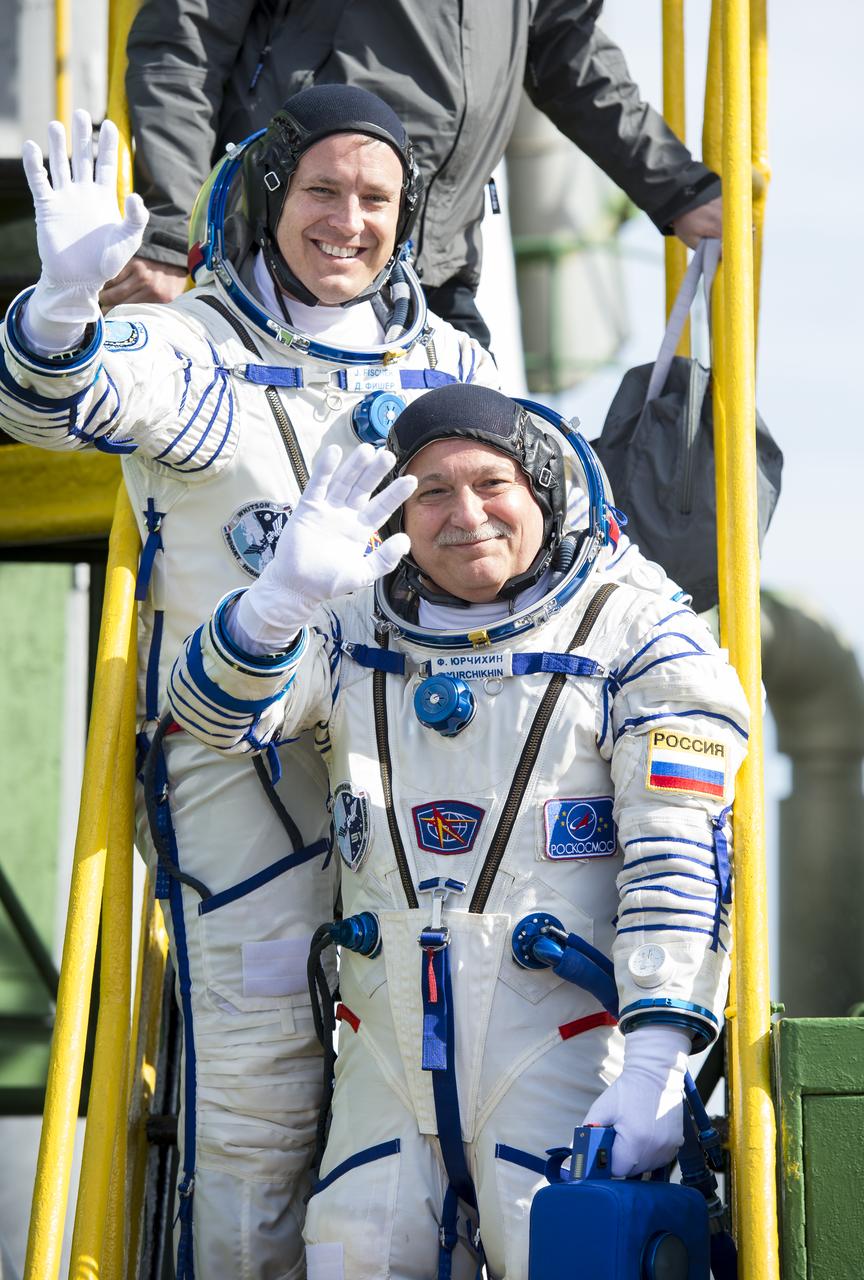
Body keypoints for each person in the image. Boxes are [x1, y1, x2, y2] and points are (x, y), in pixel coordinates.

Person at [0, 88, 499, 1278]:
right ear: (271, 194)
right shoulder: (197, 349)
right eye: (322, 190)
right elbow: (53, 404)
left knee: (434, 1097)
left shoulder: (450, 361)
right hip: (242, 769)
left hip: (416, 761)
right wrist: (64, 300)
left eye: (375, 198)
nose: (348, 221)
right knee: (259, 1105)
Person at [166, 382, 750, 1280]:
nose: (465, 514)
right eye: (431, 491)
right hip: (385, 1070)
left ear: (542, 488)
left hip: (571, 1069)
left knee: (573, 1258)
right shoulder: (351, 621)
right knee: (356, 1256)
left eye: (491, 484)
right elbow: (214, 716)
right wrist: (276, 600)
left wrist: (656, 1065)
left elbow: (679, 857)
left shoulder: (637, 630)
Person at [113, 0, 723, 343]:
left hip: (436, 266)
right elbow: (182, 43)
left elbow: (568, 50)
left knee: (462, 484)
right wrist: (173, 235)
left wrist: (678, 188)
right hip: (286, 262)